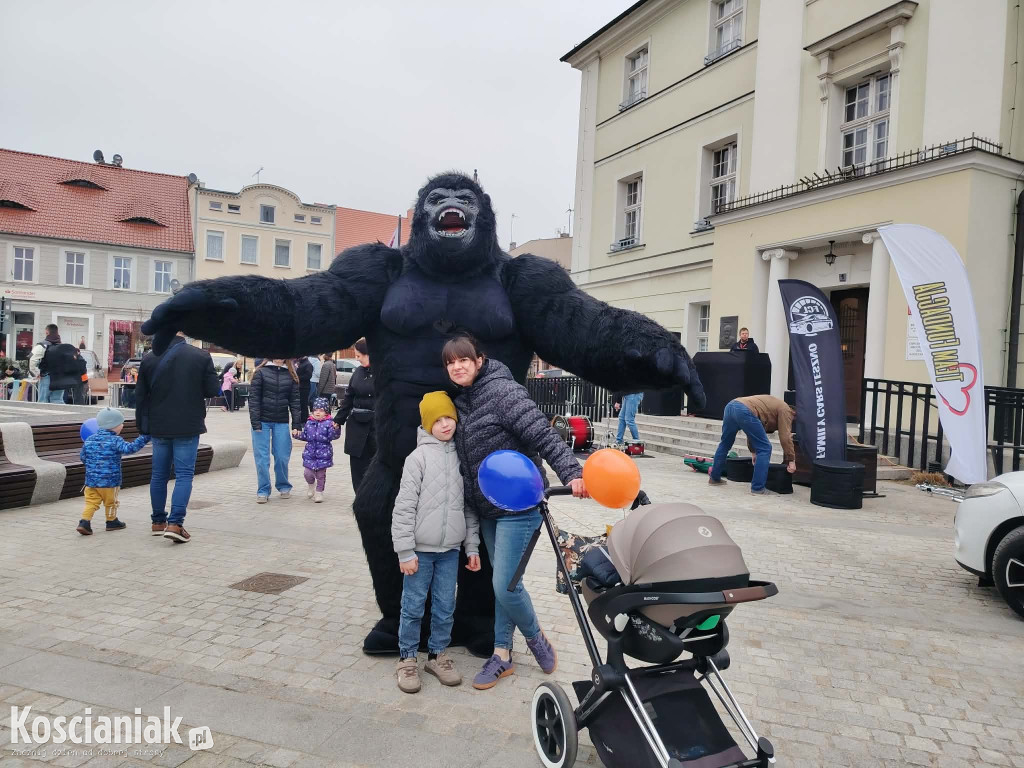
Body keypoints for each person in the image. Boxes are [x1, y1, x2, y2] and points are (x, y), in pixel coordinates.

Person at [442, 335, 587, 690]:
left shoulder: (504, 392)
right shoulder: (461, 401)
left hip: (521, 506)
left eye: (463, 360)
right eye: (450, 363)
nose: (456, 367)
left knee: (505, 587)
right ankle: (502, 655)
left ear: (479, 360)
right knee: (506, 584)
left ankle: (537, 640)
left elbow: (544, 435)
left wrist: (572, 473)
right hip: (488, 508)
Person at [391, 391, 481, 693]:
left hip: (450, 551)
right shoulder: (417, 459)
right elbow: (404, 507)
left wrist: (471, 546)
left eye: (449, 418)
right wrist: (405, 550)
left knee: (445, 606)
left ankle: (437, 655)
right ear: (428, 423)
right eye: (438, 419)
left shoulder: (461, 457)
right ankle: (406, 659)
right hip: (419, 551)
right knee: (413, 606)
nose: (445, 425)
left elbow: (469, 507)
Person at [135, 331, 220, 543]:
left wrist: (142, 426)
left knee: (159, 475)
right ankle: (175, 523)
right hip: (187, 424)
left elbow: (139, 396)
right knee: (183, 475)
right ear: (184, 332)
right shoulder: (200, 356)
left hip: (159, 425)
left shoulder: (149, 357)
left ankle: (157, 521)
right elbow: (212, 390)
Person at [76, 408, 150, 535]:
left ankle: (84, 522)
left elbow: (83, 457)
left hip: (91, 481)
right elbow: (129, 449)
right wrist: (144, 438)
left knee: (91, 502)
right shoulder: (116, 440)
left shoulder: (90, 440)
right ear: (114, 426)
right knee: (111, 502)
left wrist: (93, 467)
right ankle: (111, 521)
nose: (122, 426)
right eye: (121, 423)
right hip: (110, 482)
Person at [708, 395, 796, 495]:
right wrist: (791, 460)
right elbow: (785, 436)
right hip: (744, 409)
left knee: (725, 444)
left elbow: (753, 430)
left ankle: (714, 478)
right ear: (793, 413)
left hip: (731, 406)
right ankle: (758, 488)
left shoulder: (770, 406)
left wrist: (753, 452)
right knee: (765, 448)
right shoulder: (786, 410)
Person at [249, 358, 301, 503]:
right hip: (262, 422)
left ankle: (284, 485)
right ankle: (263, 490)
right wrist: (255, 423)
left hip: (281, 421)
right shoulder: (260, 372)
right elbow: (254, 400)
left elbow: (295, 402)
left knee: (282, 456)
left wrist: (296, 424)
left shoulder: (291, 374)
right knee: (262, 459)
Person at [334, 340, 375, 492]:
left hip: (376, 428)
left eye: (359, 355)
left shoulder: (383, 372)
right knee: (357, 468)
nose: (357, 359)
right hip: (357, 428)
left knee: (375, 467)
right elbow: (349, 397)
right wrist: (338, 419)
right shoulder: (357, 372)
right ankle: (359, 498)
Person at [294, 396, 341, 502]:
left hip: (323, 454)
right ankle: (311, 485)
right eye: (315, 410)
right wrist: (297, 434)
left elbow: (333, 436)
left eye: (321, 410)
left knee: (320, 475)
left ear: (326, 412)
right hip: (310, 454)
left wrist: (336, 429)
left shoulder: (329, 423)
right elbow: (305, 436)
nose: (318, 413)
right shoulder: (309, 422)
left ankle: (319, 492)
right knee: (307, 473)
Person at [29, 325, 61, 403]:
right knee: (57, 401)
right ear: (57, 332)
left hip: (47, 376)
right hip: (60, 377)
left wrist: (35, 374)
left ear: (47, 332)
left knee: (43, 401)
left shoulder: (42, 345)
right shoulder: (61, 346)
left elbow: (32, 359)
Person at [295, 356, 314, 423]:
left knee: (304, 404)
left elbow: (308, 376)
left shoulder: (308, 364)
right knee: (301, 404)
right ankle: (302, 418)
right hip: (300, 387)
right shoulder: (301, 363)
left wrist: (297, 377)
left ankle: (304, 419)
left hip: (304, 387)